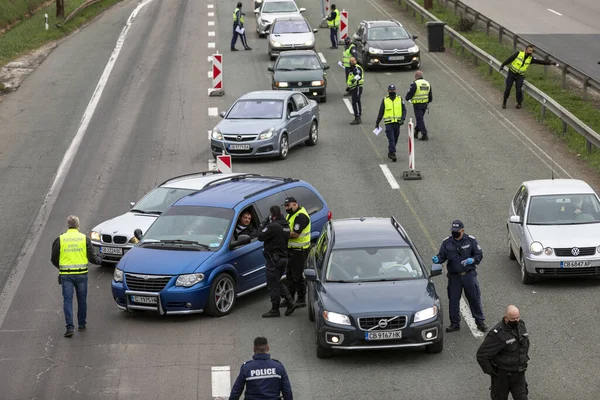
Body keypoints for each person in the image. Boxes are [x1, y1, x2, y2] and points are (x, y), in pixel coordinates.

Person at [432, 220, 487, 333]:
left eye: (457, 231)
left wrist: (473, 260)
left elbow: (479, 254)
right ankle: (455, 323)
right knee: (453, 300)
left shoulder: (470, 240)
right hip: (454, 277)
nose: (454, 232)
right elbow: (442, 256)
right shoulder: (447, 242)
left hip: (469, 275)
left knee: (474, 298)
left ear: (462, 230)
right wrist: (438, 260)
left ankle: (480, 322)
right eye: (453, 231)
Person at [51, 215, 102, 338]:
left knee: (67, 301)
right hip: (81, 274)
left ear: (68, 225)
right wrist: (101, 260)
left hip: (66, 276)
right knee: (82, 300)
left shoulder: (60, 239)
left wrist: (62, 267)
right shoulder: (84, 239)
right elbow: (92, 257)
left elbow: (53, 258)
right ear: (78, 225)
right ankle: (82, 324)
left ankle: (69, 328)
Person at [476, 305, 530, 400]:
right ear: (506, 318)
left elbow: (524, 344)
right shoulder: (497, 335)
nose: (516, 320)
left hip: (519, 374)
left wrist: (524, 359)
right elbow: (482, 355)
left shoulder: (521, 326)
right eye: (513, 318)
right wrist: (493, 372)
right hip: (502, 377)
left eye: (518, 317)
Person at [258, 205, 298, 318]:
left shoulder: (273, 226)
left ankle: (275, 310)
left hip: (274, 260)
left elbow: (260, 236)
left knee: (273, 284)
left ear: (273, 215)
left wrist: (262, 224)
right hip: (283, 258)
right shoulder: (285, 225)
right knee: (276, 281)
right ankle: (290, 302)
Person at [499, 44, 557, 109]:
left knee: (518, 89)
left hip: (520, 75)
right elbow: (510, 59)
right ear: (526, 50)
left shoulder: (530, 59)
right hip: (511, 73)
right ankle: (504, 102)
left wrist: (550, 63)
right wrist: (503, 65)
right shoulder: (519, 53)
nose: (530, 52)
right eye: (529, 50)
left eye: (532, 51)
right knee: (508, 88)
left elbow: (540, 62)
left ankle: (519, 103)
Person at [280, 197, 311, 308]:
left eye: (288, 206)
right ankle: (290, 298)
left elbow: (295, 234)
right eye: (285, 206)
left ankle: (301, 299)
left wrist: (281, 233)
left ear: (295, 204)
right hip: (291, 249)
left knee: (298, 276)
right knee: (289, 275)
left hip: (300, 251)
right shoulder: (291, 215)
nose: (286, 208)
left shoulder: (301, 216)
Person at [375, 84, 407, 162]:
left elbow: (404, 110)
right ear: (388, 91)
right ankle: (392, 153)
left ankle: (390, 151)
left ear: (395, 90)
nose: (392, 91)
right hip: (388, 123)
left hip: (397, 123)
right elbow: (381, 111)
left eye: (393, 90)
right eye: (390, 90)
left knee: (396, 137)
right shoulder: (385, 100)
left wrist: (403, 119)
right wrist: (377, 122)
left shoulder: (399, 99)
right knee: (391, 138)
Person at [405, 70, 432, 141]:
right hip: (425, 104)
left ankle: (424, 134)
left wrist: (407, 98)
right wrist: (427, 101)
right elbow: (430, 96)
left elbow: (410, 93)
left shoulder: (414, 83)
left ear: (415, 76)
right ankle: (416, 131)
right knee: (420, 119)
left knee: (419, 119)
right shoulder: (427, 83)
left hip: (417, 104)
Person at [346, 57, 364, 125]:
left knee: (356, 102)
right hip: (353, 87)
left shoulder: (357, 67)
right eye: (350, 61)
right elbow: (350, 79)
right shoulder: (351, 69)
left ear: (356, 61)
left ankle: (358, 117)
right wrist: (349, 87)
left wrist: (354, 80)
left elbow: (359, 75)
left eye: (353, 61)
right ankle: (357, 116)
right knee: (355, 102)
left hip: (357, 87)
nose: (351, 62)